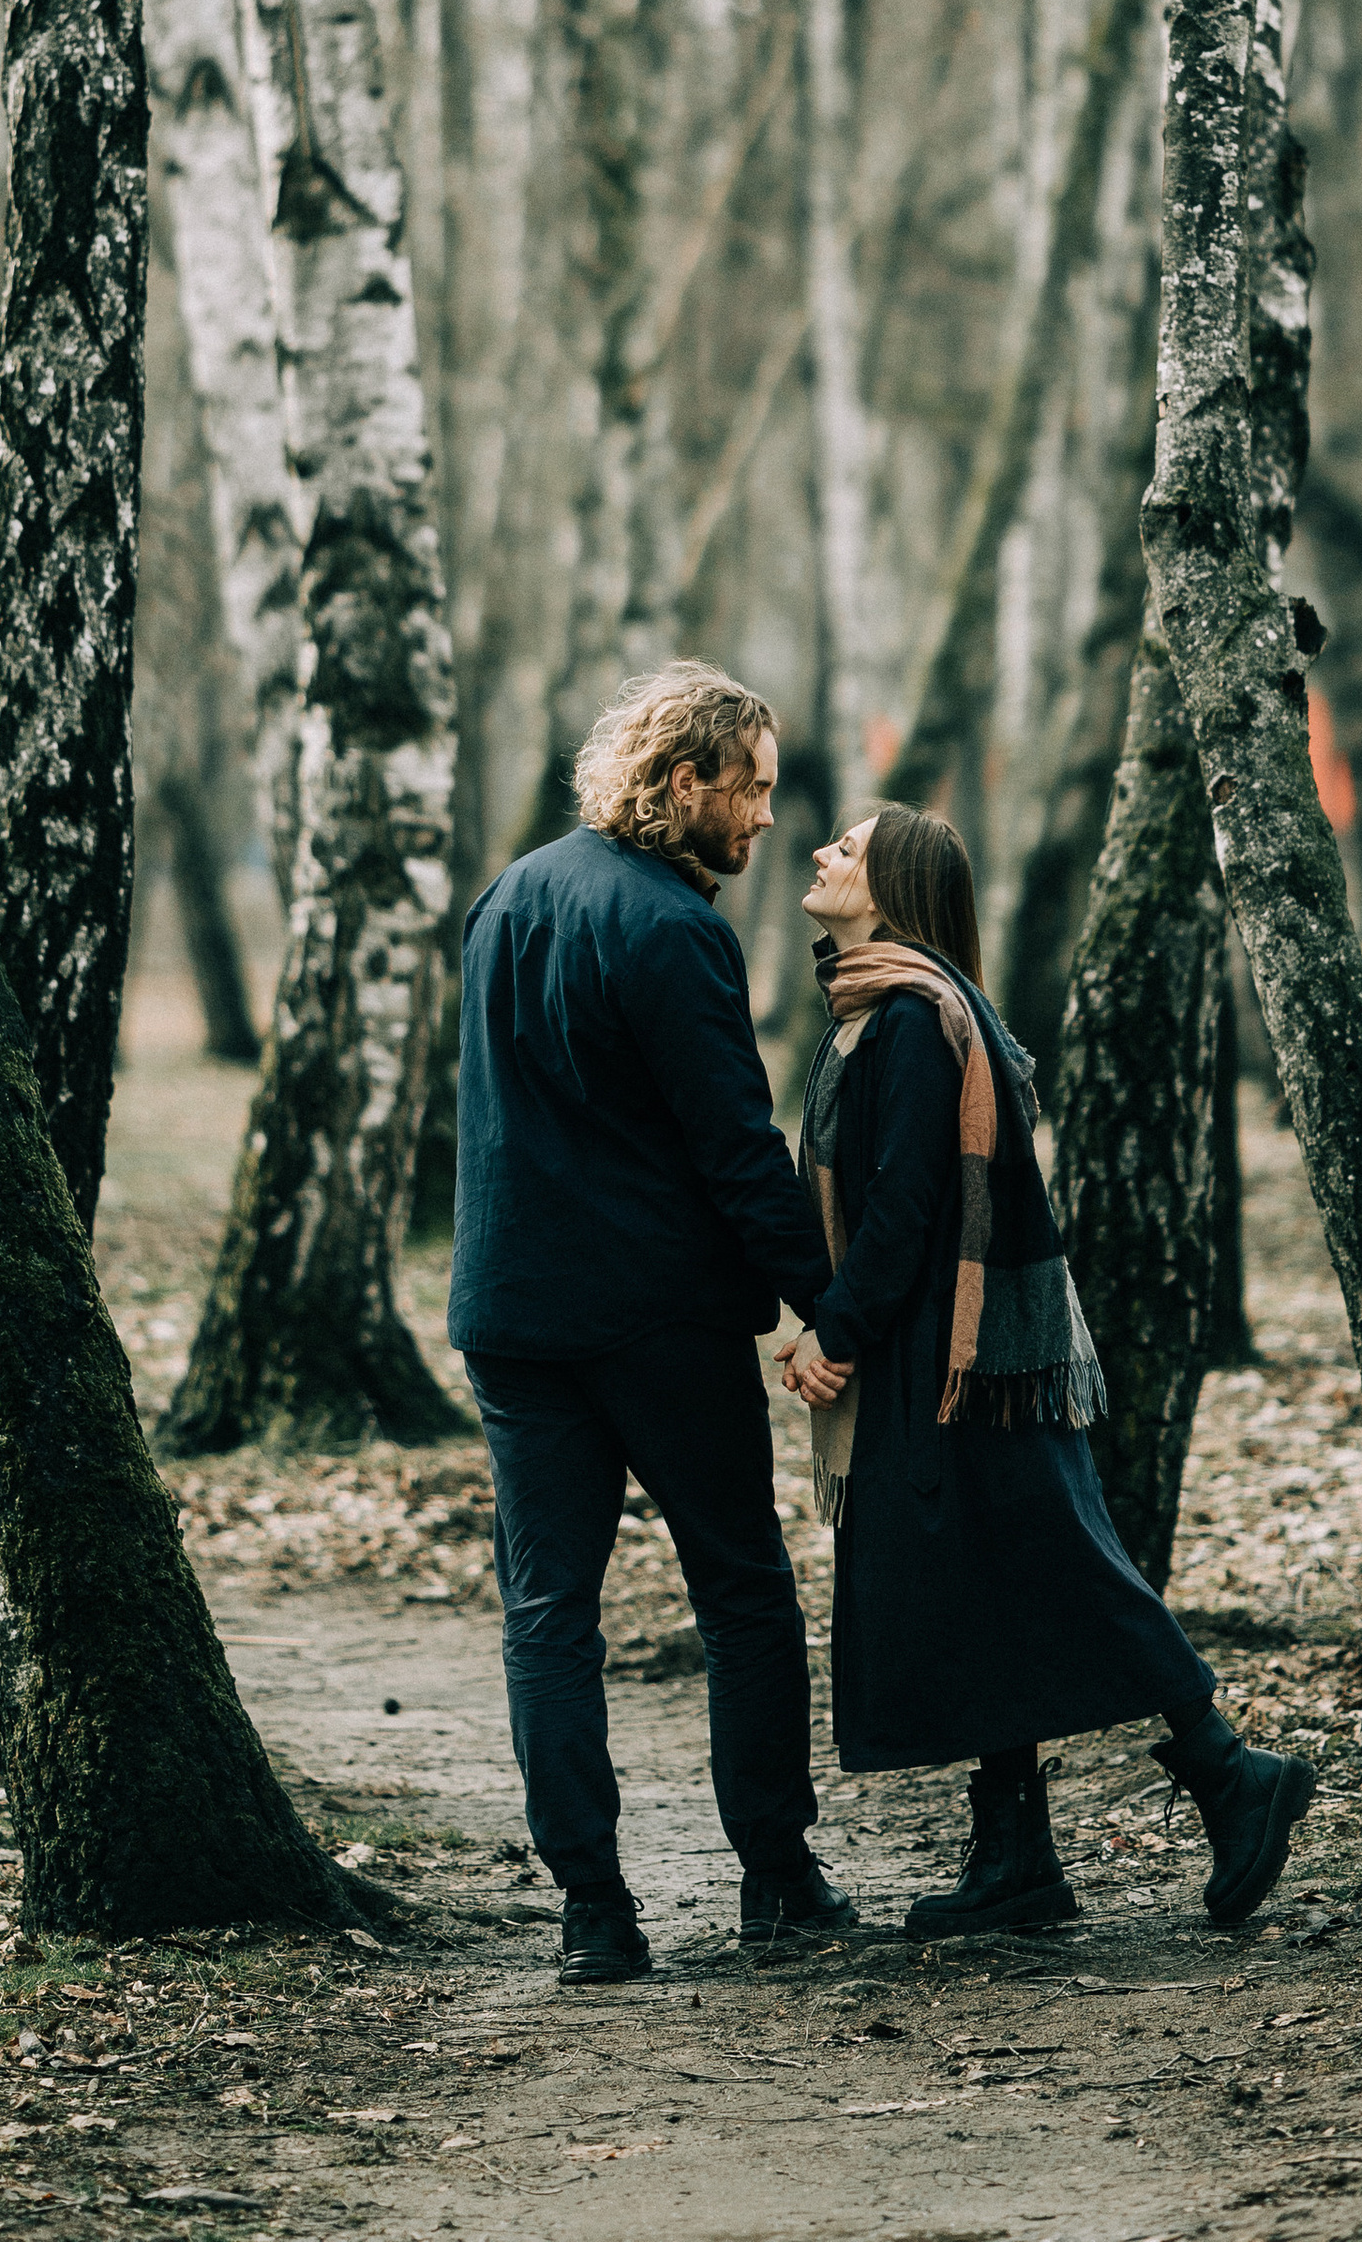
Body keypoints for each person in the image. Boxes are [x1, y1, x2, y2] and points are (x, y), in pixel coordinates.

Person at [780, 803, 1314, 1938]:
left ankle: (1231, 1773)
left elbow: (905, 1202)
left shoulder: (915, 1020)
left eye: (848, 848)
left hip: (968, 1358)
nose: (821, 854)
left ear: (892, 888)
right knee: (990, 1581)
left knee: (1063, 1566)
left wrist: (837, 1330)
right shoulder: (874, 1013)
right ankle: (1017, 1856)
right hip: (947, 1351)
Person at [448, 661, 858, 1985]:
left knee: (547, 1614)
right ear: (684, 782)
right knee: (743, 1594)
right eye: (752, 789)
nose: (765, 819)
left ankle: (593, 1915)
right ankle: (778, 1882)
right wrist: (835, 1303)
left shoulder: (509, 896)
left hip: (513, 1314)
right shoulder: (675, 929)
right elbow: (737, 1148)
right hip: (657, 1322)